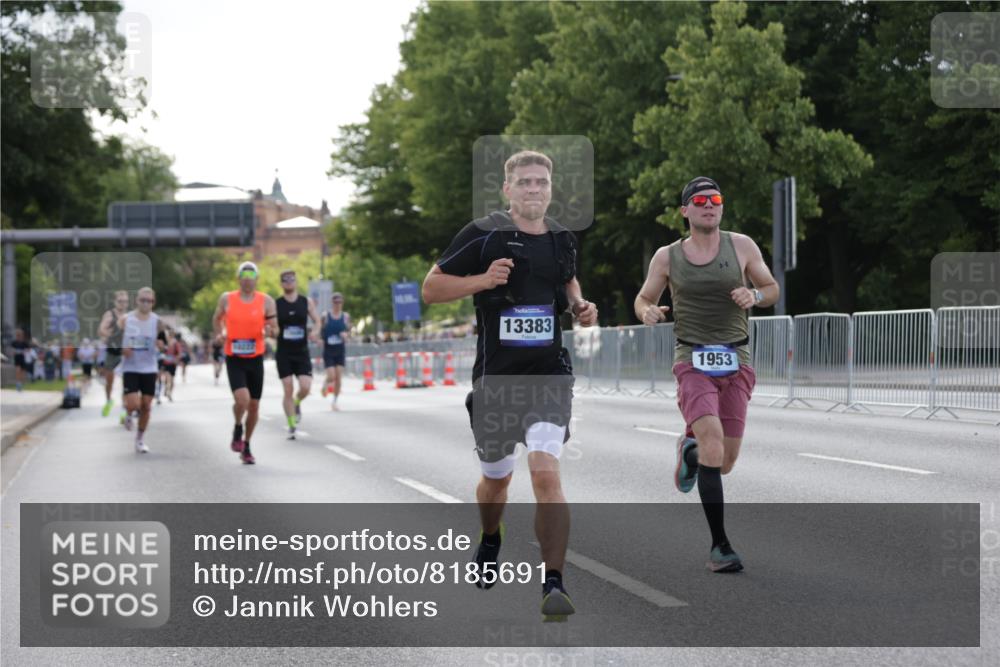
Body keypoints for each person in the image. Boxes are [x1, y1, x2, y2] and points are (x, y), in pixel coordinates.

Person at [422, 150, 598, 621]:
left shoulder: (562, 238)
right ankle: (492, 536)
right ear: (508, 190)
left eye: (541, 182)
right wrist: (481, 280)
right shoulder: (482, 235)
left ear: (551, 188)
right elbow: (431, 288)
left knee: (544, 472)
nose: (534, 189)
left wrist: (580, 305)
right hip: (497, 379)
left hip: (549, 375)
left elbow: (568, 281)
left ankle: (553, 582)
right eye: (524, 182)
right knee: (496, 483)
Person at [634, 176, 779, 573]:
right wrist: (646, 311)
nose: (710, 205)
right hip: (692, 359)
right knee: (713, 440)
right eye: (700, 200)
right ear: (686, 211)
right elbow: (644, 297)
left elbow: (771, 287)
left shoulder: (742, 245)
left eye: (716, 199)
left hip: (737, 360)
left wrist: (756, 296)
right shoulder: (667, 256)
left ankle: (690, 451)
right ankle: (720, 547)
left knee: (724, 460)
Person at [212, 261, 278, 464]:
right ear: (238, 278)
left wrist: (270, 332)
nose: (248, 279)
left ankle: (246, 445)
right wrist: (219, 334)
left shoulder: (266, 301)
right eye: (244, 275)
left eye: (252, 275)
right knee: (243, 400)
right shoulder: (227, 298)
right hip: (234, 357)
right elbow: (216, 319)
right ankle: (237, 426)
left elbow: (275, 329)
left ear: (257, 279)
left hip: (256, 357)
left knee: (255, 406)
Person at [119, 287, 168, 453]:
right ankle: (128, 412)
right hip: (131, 367)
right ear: (136, 301)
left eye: (150, 301)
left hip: (149, 367)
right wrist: (122, 349)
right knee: (133, 403)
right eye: (143, 300)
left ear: (153, 303)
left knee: (146, 405)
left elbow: (163, 343)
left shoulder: (157, 321)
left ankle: (139, 439)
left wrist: (161, 345)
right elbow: (114, 340)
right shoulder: (126, 319)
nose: (146, 303)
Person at [274, 269, 321, 438]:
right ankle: (291, 424)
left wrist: (315, 331)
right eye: (285, 280)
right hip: (284, 353)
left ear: (296, 282)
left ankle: (297, 401)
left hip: (301, 352)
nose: (289, 282)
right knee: (288, 388)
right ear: (281, 284)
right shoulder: (276, 304)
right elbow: (270, 325)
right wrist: (272, 331)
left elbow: (317, 321)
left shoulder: (306, 302)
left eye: (291, 279)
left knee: (305, 387)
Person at [98, 291, 130, 421]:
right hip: (112, 351)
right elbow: (101, 330)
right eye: (120, 301)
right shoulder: (110, 314)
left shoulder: (130, 316)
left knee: (126, 382)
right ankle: (108, 400)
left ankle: (124, 410)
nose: (123, 304)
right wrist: (110, 335)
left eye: (125, 301)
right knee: (109, 381)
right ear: (115, 302)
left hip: (125, 352)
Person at [320, 293, 350, 410]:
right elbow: (320, 330)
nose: (337, 304)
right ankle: (325, 384)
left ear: (342, 303)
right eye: (335, 302)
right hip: (328, 350)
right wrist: (320, 339)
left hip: (340, 350)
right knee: (331, 376)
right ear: (332, 303)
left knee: (338, 377)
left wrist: (346, 335)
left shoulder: (346, 317)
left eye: (339, 302)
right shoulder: (326, 316)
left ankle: (335, 401)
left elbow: (349, 332)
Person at [159, 329, 180, 402]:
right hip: (166, 363)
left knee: (171, 380)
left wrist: (176, 360)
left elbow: (179, 353)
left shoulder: (175, 343)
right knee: (168, 379)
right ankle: (167, 391)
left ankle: (169, 393)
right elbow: (160, 351)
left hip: (172, 363)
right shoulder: (164, 343)